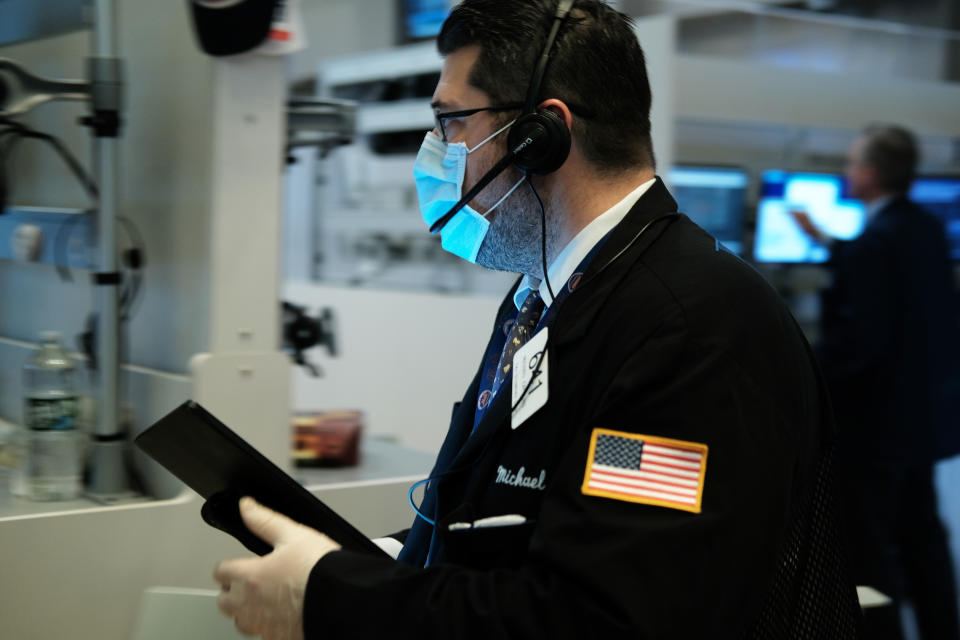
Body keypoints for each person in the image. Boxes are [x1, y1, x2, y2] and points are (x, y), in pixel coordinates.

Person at [213, 1, 861, 638]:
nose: (436, 153)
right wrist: (371, 562)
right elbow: (520, 526)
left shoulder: (691, 331)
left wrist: (332, 596)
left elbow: (602, 618)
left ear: (539, 137)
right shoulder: (551, 293)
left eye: (451, 123)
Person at [792, 124, 960, 640]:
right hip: (921, 420)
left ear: (869, 173)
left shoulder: (875, 244)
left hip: (875, 427)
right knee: (922, 539)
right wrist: (828, 243)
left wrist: (803, 370)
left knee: (868, 548)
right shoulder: (924, 229)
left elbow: (859, 345)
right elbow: (890, 277)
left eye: (851, 163)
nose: (846, 172)